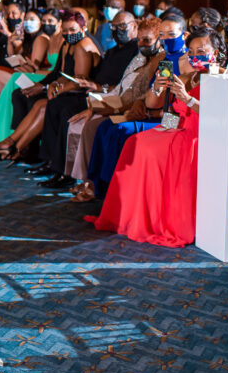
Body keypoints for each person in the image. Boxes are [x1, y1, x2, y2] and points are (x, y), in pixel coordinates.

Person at [85, 26, 220, 247]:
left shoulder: (221, 79)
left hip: (201, 134)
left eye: (202, 50)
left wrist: (186, 99)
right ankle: (133, 215)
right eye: (192, 51)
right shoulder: (186, 76)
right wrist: (158, 88)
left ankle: (157, 219)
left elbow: (215, 115)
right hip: (176, 126)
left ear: (215, 53)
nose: (196, 56)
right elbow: (154, 105)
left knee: (150, 149)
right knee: (135, 142)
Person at [34, 10, 140, 188]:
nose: (117, 31)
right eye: (114, 27)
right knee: (55, 104)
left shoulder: (135, 52)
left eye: (122, 26)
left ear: (134, 27)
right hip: (95, 92)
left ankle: (64, 171)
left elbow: (122, 88)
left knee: (65, 109)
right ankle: (52, 161)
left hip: (111, 97)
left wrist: (97, 88)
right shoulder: (113, 51)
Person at [65, 17, 164, 202]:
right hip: (137, 107)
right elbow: (127, 89)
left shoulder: (167, 62)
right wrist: (101, 102)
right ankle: (92, 181)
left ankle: (100, 185)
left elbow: (156, 99)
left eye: (147, 40)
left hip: (158, 116)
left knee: (104, 128)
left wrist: (143, 107)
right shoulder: (144, 58)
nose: (141, 44)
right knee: (96, 125)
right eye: (140, 40)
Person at [0, 11, 96, 162]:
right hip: (68, 89)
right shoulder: (67, 44)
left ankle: (16, 148)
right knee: (22, 95)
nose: (68, 34)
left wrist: (47, 88)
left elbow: (79, 83)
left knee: (43, 105)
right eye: (65, 31)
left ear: (83, 27)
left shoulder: (83, 46)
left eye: (73, 30)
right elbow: (60, 73)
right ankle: (16, 145)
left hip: (83, 94)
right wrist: (46, 85)